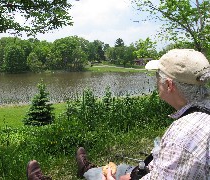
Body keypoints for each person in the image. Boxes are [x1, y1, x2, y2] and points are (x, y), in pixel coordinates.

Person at [27, 49, 210, 180]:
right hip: (151, 171)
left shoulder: (182, 138)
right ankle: (87, 170)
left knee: (106, 175)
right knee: (121, 168)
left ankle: (87, 171)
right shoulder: (201, 115)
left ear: (170, 85)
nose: (156, 82)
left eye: (157, 77)